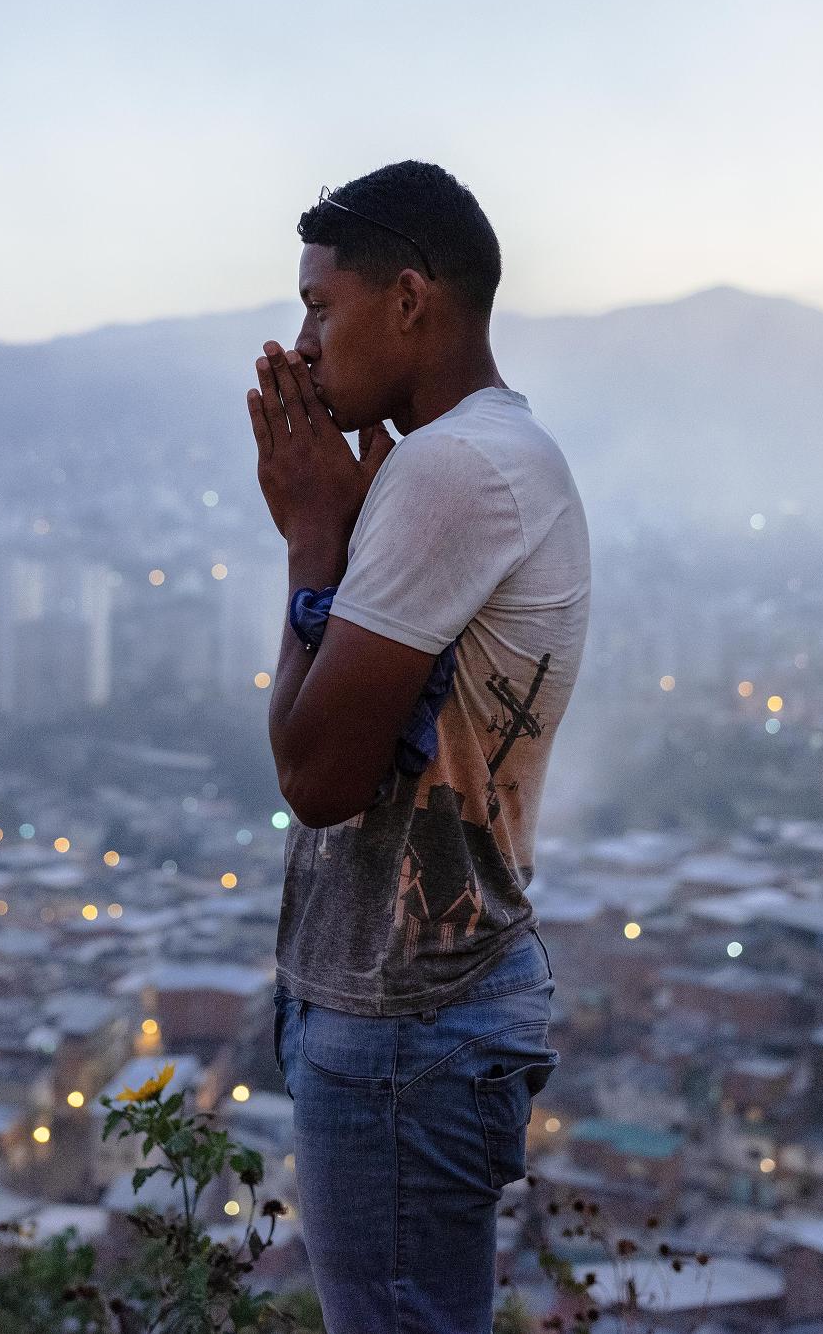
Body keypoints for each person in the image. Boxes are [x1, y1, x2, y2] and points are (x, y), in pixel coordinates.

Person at [245, 161, 591, 1332]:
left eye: (317, 306)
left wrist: (308, 538)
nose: (297, 347)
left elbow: (317, 779)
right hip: (418, 1009)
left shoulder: (452, 469)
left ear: (406, 301)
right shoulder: (470, 458)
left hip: (408, 1026)